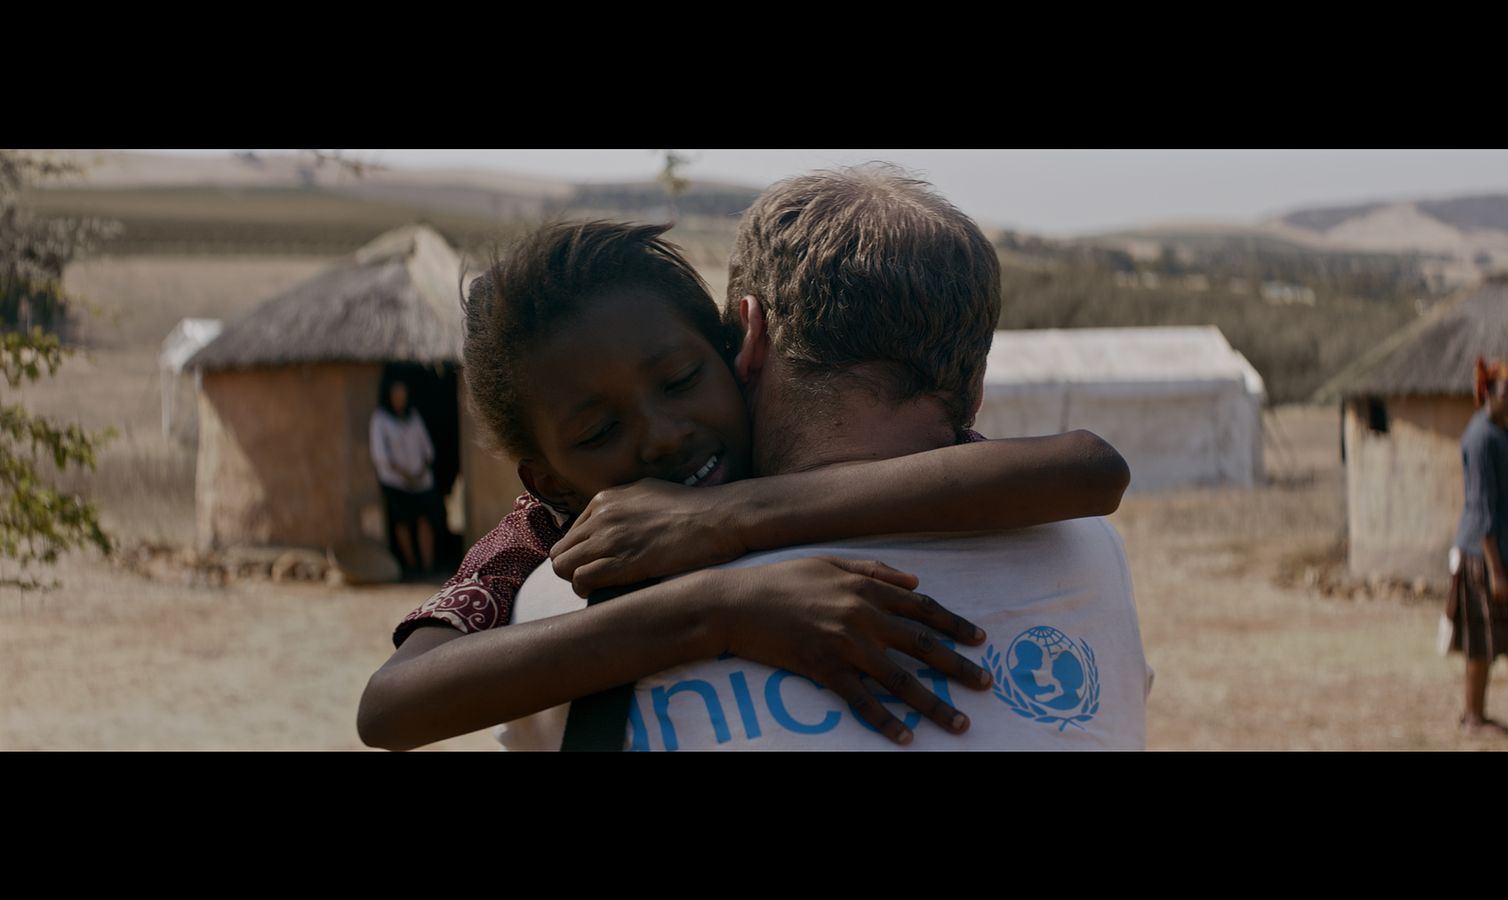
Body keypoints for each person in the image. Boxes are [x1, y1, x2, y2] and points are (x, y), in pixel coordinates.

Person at [357, 218, 1132, 751]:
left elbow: (1088, 469)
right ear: (548, 478)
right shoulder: (550, 532)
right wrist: (720, 609)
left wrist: (728, 517)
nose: (662, 435)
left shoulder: (793, 456)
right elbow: (391, 706)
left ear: (736, 349)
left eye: (680, 379)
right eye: (597, 433)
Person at [1447, 356, 1508, 736]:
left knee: (1490, 639)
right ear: (1489, 393)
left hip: (1499, 554)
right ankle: (1473, 716)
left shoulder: (1502, 432)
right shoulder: (1481, 438)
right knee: (1480, 639)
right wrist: (1496, 570)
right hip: (1483, 557)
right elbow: (1482, 506)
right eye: (1507, 392)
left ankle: (1477, 712)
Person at [370, 373, 443, 579]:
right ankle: (411, 566)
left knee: (425, 521)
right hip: (395, 481)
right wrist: (404, 474)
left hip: (421, 480)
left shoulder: (413, 417)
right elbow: (381, 455)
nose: (400, 398)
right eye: (396, 394)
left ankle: (427, 566)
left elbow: (427, 449)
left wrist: (418, 472)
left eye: (402, 394)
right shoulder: (381, 419)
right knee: (402, 522)